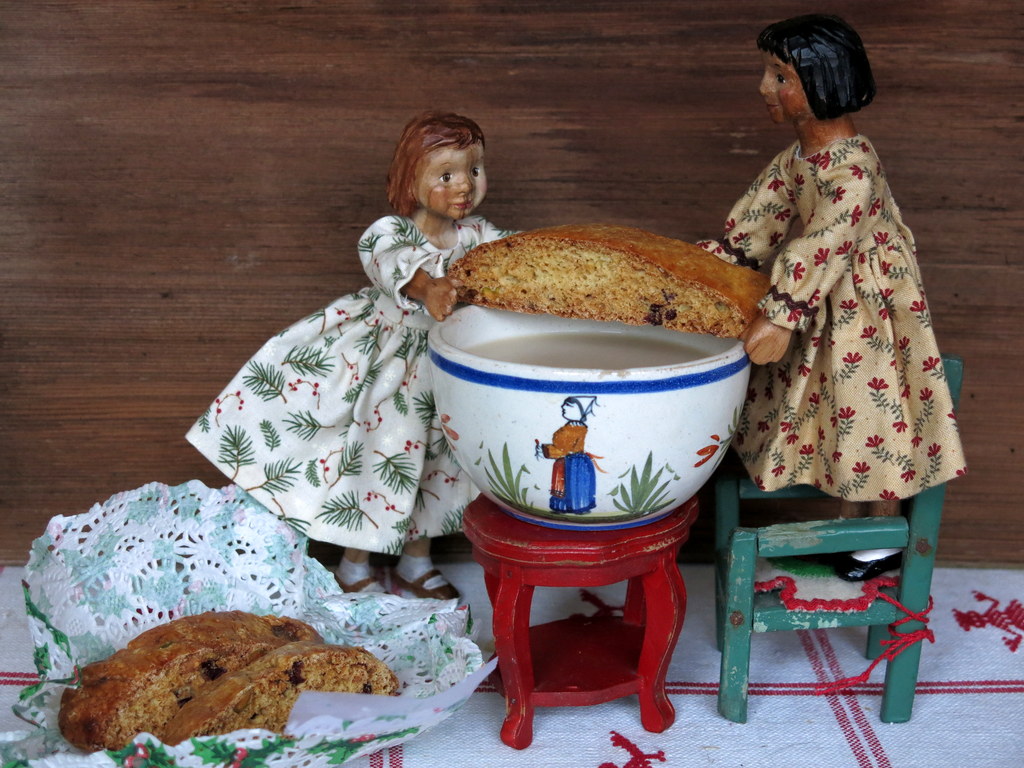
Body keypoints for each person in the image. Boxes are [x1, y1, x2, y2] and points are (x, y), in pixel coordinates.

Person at [187, 111, 512, 599]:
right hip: (391, 366)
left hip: (448, 367)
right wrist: (429, 289)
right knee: (382, 459)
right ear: (411, 180)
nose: (464, 185)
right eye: (446, 175)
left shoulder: (478, 236)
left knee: (438, 466)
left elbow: (512, 258)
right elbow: (393, 265)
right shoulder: (390, 232)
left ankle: (416, 561)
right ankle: (354, 564)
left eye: (474, 170)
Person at [698, 15, 966, 580]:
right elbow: (760, 217)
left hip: (865, 307)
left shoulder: (854, 168)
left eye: (780, 77)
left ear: (824, 82)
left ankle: (878, 536)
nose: (765, 88)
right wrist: (715, 266)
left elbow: (827, 240)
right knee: (833, 411)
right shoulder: (798, 158)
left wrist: (781, 315)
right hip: (822, 299)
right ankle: (850, 523)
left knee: (871, 408)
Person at [538, 396, 599, 514]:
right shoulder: (570, 427)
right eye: (564, 404)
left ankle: (571, 507)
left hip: (572, 462)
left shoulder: (575, 429)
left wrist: (545, 450)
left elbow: (564, 450)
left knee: (569, 485)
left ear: (581, 411)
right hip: (570, 461)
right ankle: (574, 507)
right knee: (570, 486)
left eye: (568, 405)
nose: (563, 407)